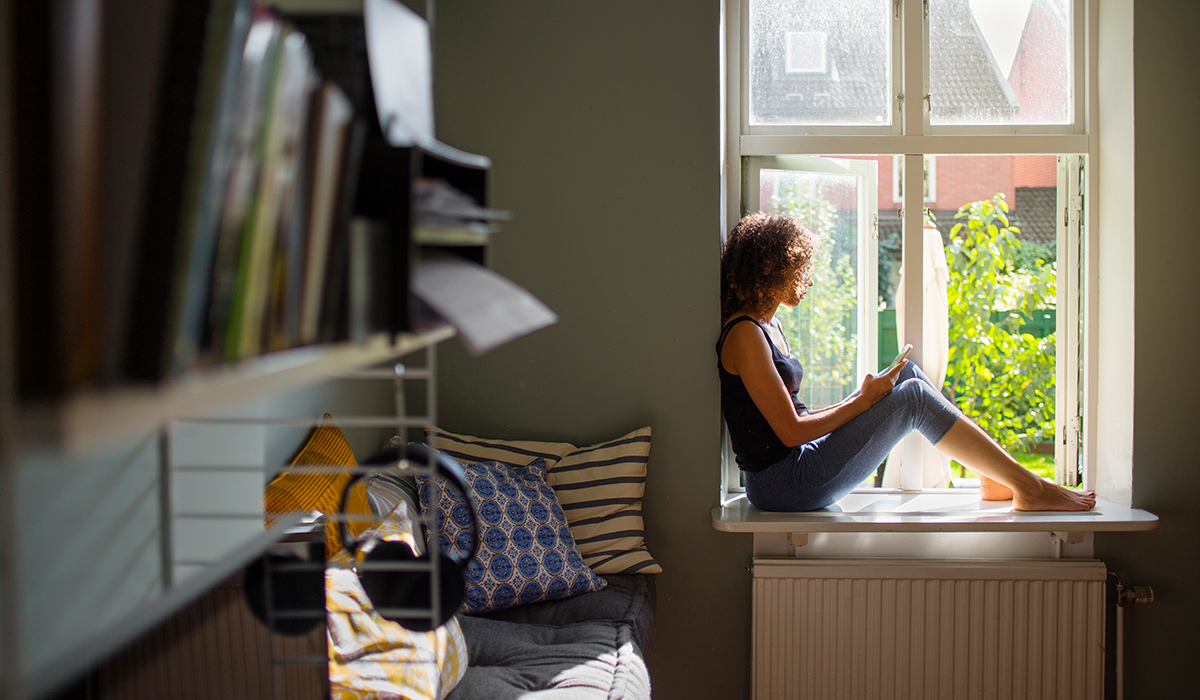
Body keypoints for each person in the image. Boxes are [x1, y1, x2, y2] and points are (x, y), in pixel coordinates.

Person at [717, 212, 1095, 512]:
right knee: (911, 397)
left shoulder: (767, 325)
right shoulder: (745, 334)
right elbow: (792, 432)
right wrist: (862, 401)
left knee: (906, 375)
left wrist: (864, 397)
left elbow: (793, 421)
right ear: (771, 270)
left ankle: (996, 476)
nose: (807, 282)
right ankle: (1030, 487)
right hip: (784, 484)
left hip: (796, 465)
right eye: (800, 270)